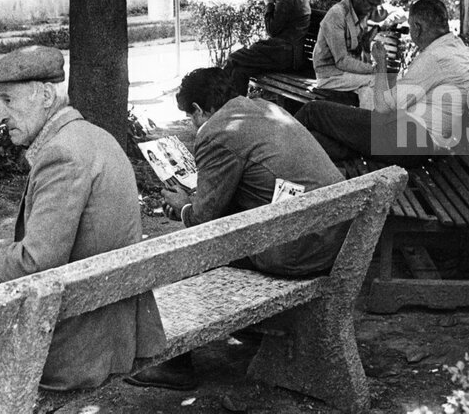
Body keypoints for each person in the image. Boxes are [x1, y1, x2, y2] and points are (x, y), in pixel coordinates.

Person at [0, 45, 165, 390]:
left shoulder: (61, 154)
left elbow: (38, 261)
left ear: (44, 95)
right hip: (110, 327)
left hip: (65, 347)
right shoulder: (96, 138)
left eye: (7, 100)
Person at [125, 67, 347, 391]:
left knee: (187, 247)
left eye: (190, 117)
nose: (192, 125)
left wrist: (183, 207)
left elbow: (204, 222)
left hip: (298, 251)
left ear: (199, 110)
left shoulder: (218, 131)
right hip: (332, 236)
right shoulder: (267, 109)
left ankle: (173, 363)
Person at [297, 0, 469, 165]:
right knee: (326, 142)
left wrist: (381, 65)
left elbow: (384, 107)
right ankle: (291, 156)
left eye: (411, 27)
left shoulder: (434, 58)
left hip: (409, 138)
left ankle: (275, 147)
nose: (410, 31)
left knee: (314, 111)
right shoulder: (457, 47)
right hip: (418, 143)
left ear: (418, 29)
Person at [223, 0, 311, 95]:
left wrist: (270, 5)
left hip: (281, 54)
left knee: (234, 57)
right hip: (292, 57)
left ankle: (220, 99)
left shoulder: (286, 2)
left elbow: (271, 30)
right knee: (240, 71)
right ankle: (235, 104)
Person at [310, 0, 385, 108]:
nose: (373, 9)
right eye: (370, 4)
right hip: (329, 76)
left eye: (375, 5)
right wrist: (374, 69)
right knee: (374, 80)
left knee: (367, 90)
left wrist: (367, 44)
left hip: (346, 75)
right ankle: (370, 125)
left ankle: (366, 126)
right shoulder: (337, 14)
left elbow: (358, 50)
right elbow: (342, 61)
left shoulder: (360, 13)